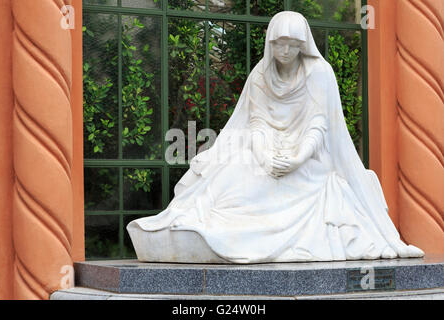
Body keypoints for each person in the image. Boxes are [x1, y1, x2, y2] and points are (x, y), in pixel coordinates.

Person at [127, 11, 424, 263]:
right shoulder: (260, 76)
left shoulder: (318, 72)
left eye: (293, 45)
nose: (285, 51)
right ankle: (200, 224)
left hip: (310, 157)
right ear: (272, 43)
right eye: (280, 44)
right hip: (264, 150)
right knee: (230, 172)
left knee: (267, 182)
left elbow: (319, 126)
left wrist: (296, 158)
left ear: (302, 45)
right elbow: (255, 122)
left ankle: (228, 234)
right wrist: (264, 155)